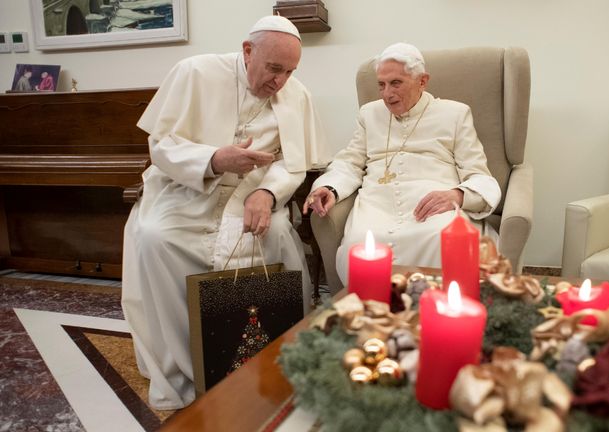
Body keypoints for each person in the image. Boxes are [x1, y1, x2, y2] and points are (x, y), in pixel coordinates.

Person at [121, 15, 324, 410]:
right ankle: (188, 365)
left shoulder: (295, 94)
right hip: (185, 187)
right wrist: (214, 159)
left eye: (290, 71)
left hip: (252, 192)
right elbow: (161, 146)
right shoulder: (194, 72)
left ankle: (268, 361)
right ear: (248, 51)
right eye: (274, 69)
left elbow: (293, 163)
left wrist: (267, 192)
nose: (281, 82)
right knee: (154, 237)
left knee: (276, 235)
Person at [303, 43, 500, 285]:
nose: (387, 94)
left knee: (440, 238)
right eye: (381, 85)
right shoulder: (369, 114)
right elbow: (350, 162)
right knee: (360, 243)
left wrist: (456, 195)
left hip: (433, 204)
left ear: (422, 81)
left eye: (396, 83)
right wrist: (330, 188)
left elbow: (478, 173)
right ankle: (372, 317)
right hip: (376, 204)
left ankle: (430, 314)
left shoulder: (455, 114)